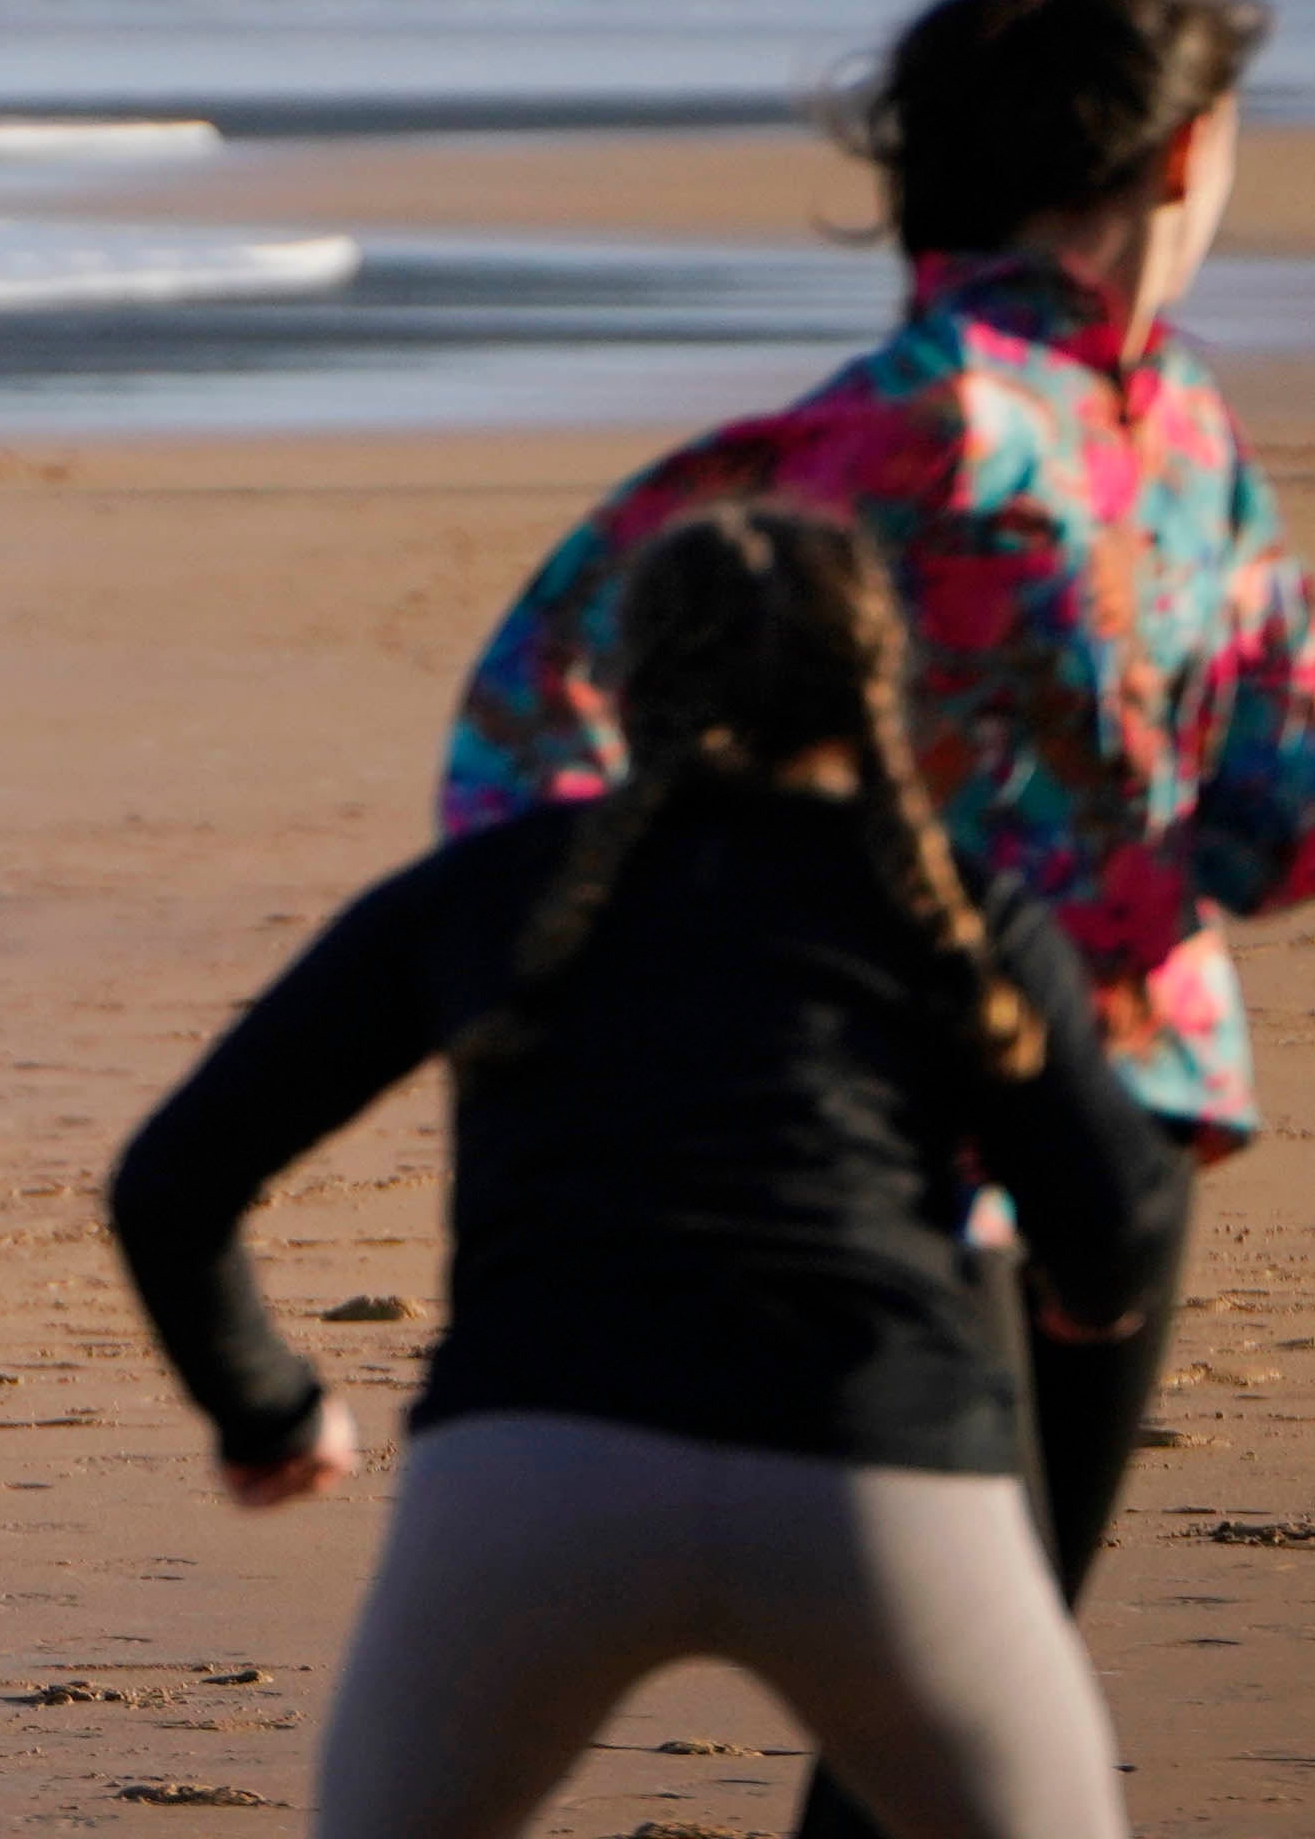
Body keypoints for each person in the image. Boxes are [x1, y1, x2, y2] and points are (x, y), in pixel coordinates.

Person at [438, 0, 1292, 1839]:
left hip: (852, 1127)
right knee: (963, 1726)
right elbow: (1275, 824)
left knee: (931, 1735)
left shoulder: (836, 446)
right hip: (1099, 1137)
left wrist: (670, 977)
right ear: (1181, 158)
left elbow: (518, 742)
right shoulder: (1168, 450)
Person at [115, 501, 1185, 1839]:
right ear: (875, 680)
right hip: (875, 1475)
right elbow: (1123, 1208)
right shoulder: (955, 909)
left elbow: (172, 1182)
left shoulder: (485, 893)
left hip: (535, 1473)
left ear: (624, 684)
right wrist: (1089, 1294)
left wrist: (267, 1410)